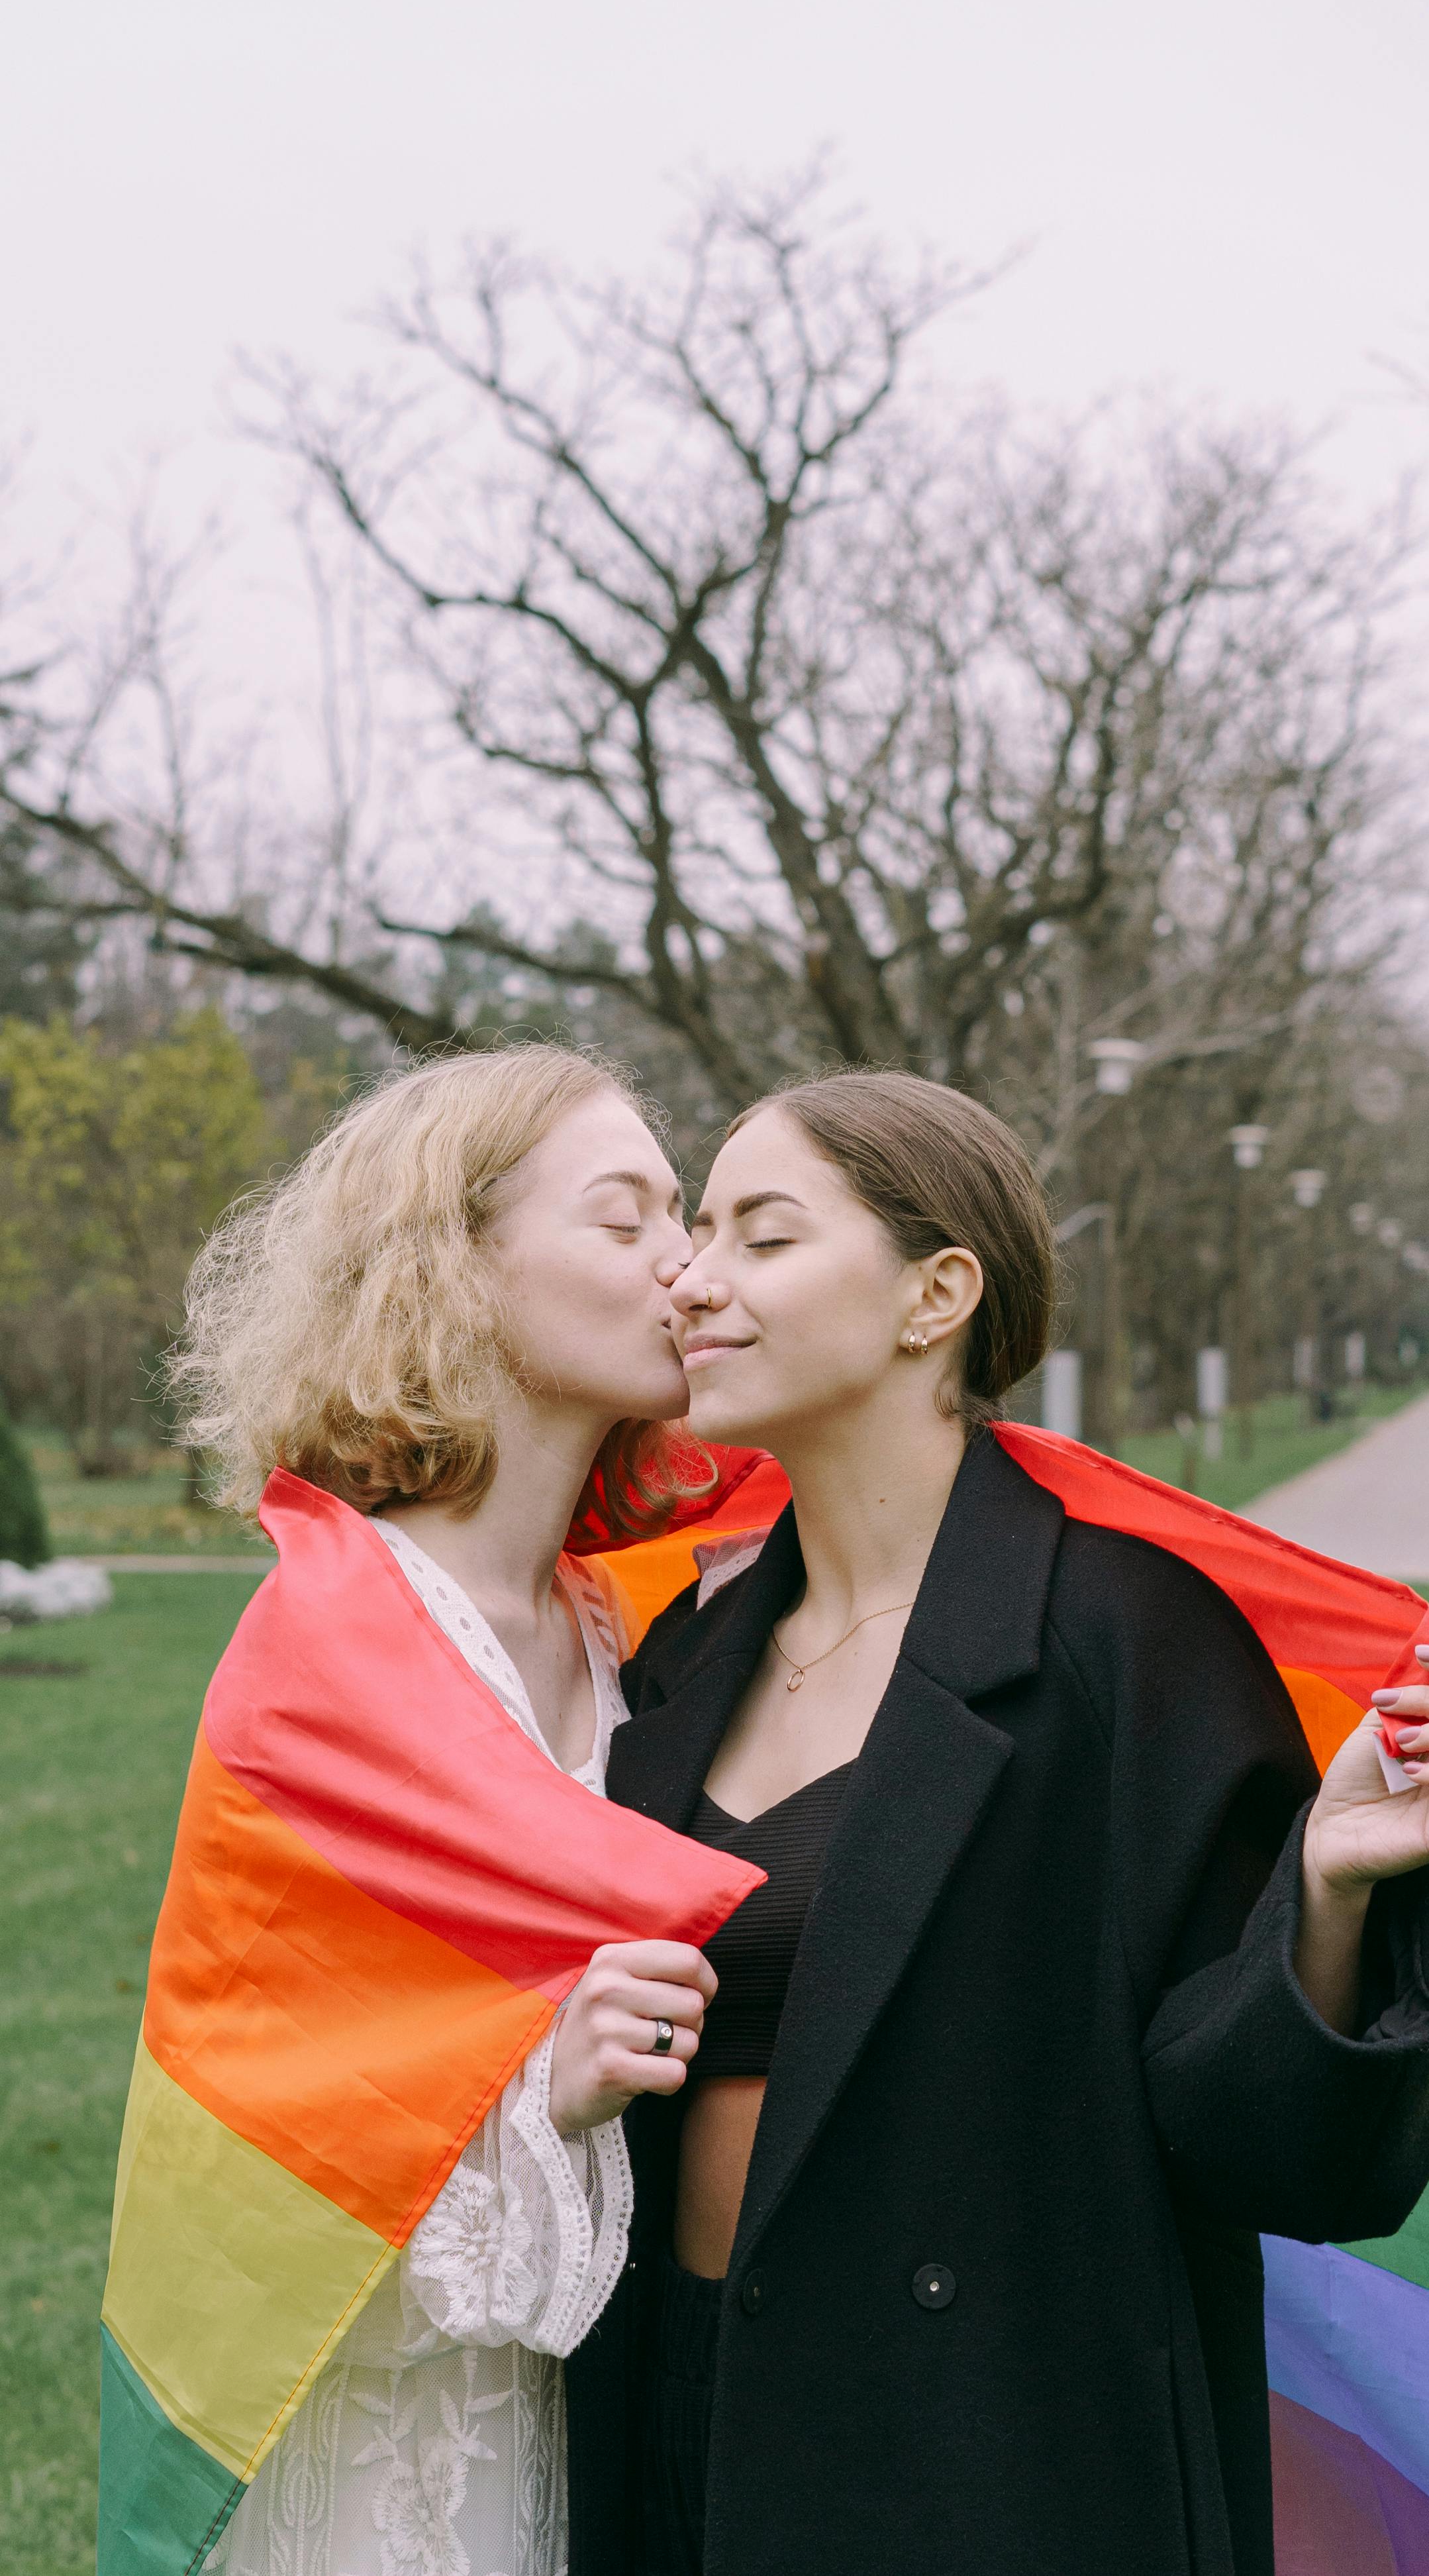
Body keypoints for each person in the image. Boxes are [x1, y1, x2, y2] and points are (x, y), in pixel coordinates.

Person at [572, 1070, 1429, 2576]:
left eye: (762, 1235)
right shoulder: (678, 1652)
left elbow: (1282, 2158)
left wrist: (1324, 1901)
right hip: (685, 2416)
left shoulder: (1130, 1642)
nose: (691, 1277)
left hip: (994, 2458)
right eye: (696, 1233)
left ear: (934, 1293)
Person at [156, 1046, 726, 2576]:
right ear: (455, 1268)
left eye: (689, 1213)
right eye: (627, 1220)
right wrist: (548, 2091)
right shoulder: (327, 1648)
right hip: (375, 2433)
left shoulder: (630, 1624)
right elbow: (254, 2124)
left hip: (594, 2396)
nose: (689, 1260)